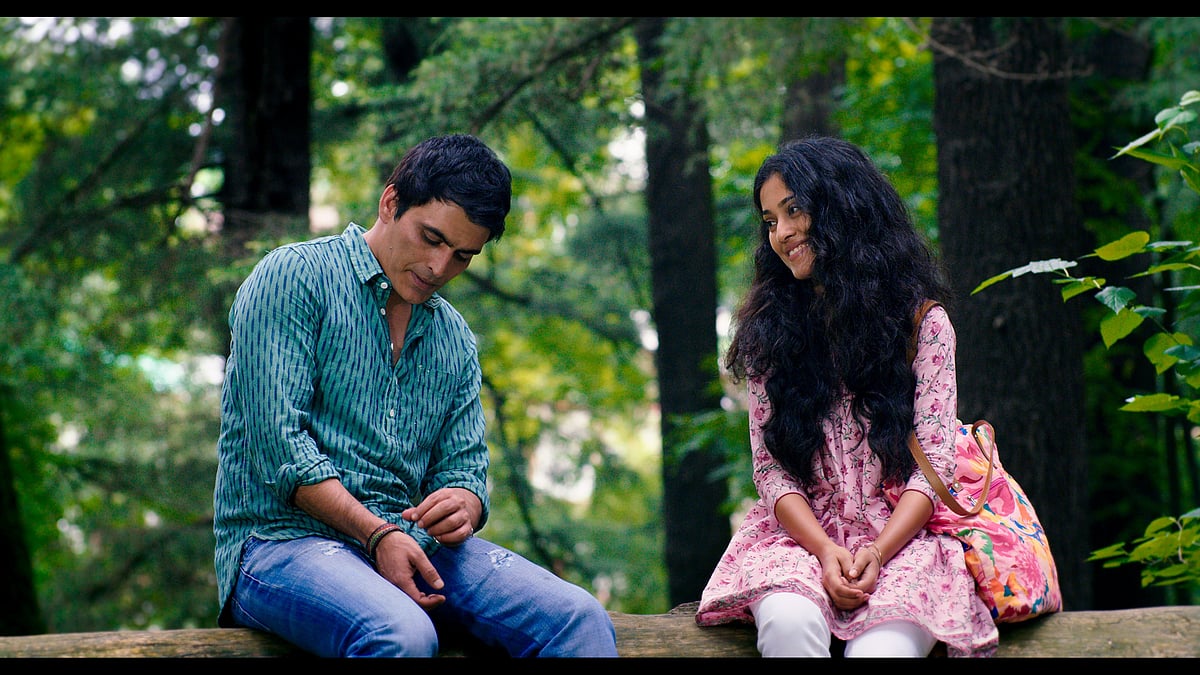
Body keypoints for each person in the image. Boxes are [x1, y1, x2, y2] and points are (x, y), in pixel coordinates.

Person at [212, 133, 618, 658]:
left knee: (579, 618)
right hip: (280, 544)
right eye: (431, 238)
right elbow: (280, 450)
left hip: (415, 546)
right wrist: (377, 535)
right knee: (401, 633)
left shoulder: (453, 336)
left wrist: (464, 503)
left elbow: (465, 468)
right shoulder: (294, 277)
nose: (440, 268)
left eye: (462, 256)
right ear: (390, 202)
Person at [695, 136, 999, 658]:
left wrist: (877, 552)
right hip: (797, 541)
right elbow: (771, 471)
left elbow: (934, 465)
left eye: (794, 210)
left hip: (902, 542)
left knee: (883, 653)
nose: (781, 233)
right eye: (770, 220)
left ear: (842, 207)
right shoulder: (768, 334)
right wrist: (823, 549)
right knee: (788, 625)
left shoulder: (923, 324)